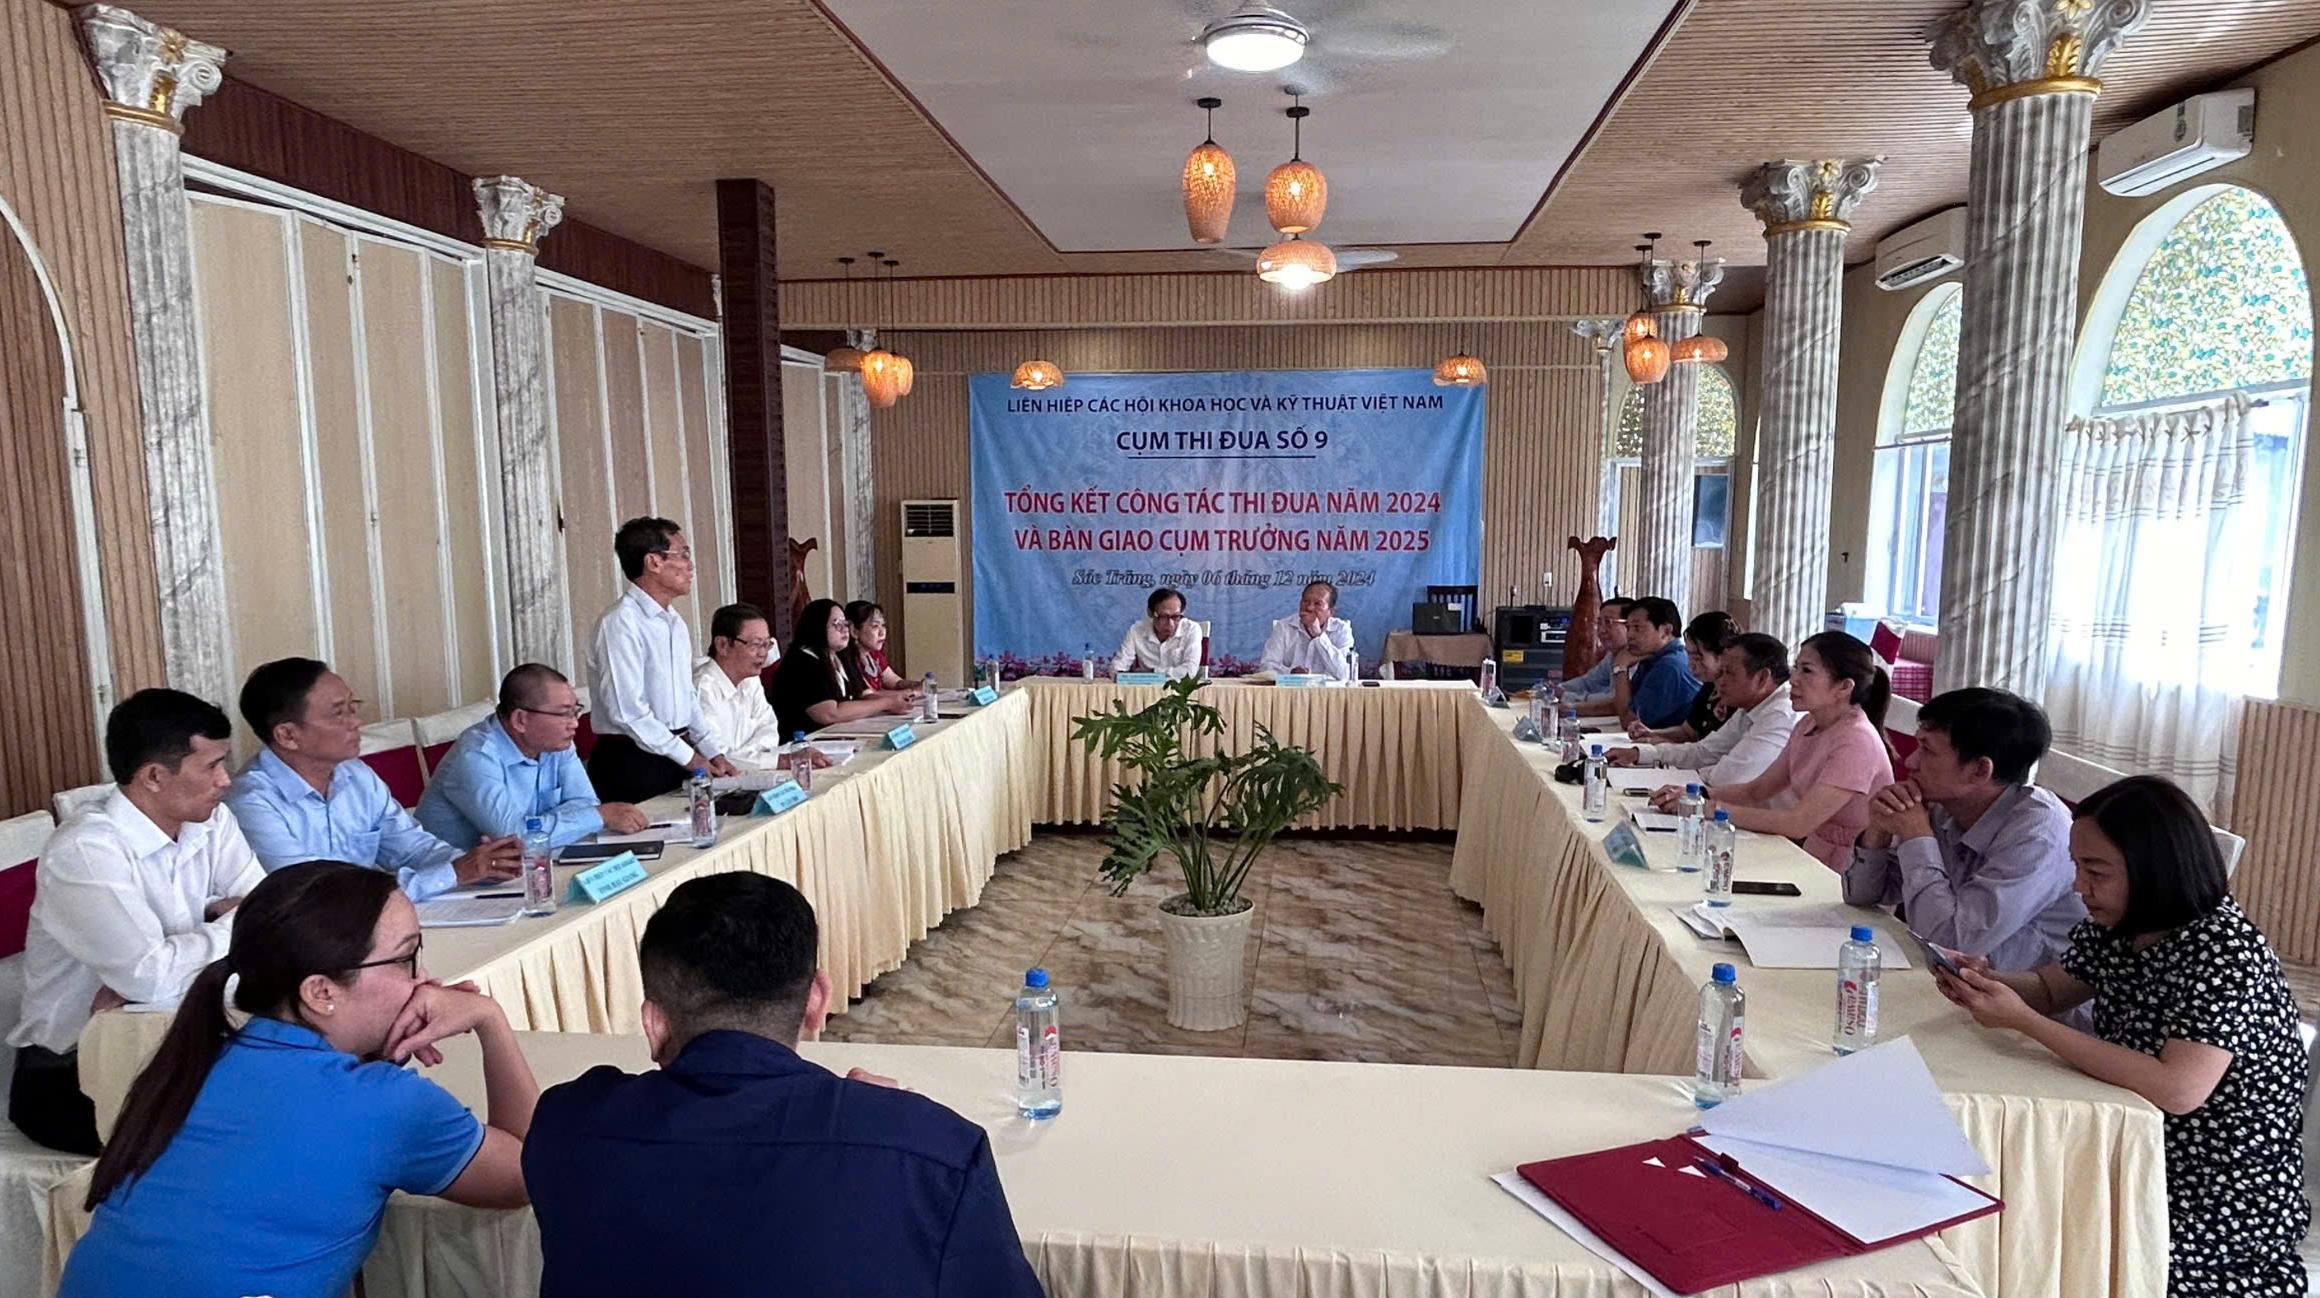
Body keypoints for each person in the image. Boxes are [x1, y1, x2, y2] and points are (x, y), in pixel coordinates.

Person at [523, 872, 1045, 1298]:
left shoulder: (564, 1127)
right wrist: (893, 1125)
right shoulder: (935, 1151)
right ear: (817, 1000)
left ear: (653, 1023)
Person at [57, 861, 537, 1298]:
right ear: (321, 992)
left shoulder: (197, 1059)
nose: (423, 978)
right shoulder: (386, 1104)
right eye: (406, 958)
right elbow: (530, 1172)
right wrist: (488, 1018)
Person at [1940, 776, 2307, 1298]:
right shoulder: (2124, 926)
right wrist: (1985, 982)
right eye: (2077, 867)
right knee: (2000, 1206)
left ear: (2155, 868)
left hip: (2212, 1199)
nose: (2078, 886)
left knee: (2032, 1234)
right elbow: (2051, 989)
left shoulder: (2225, 955)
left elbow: (2178, 1089)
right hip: (2129, 1146)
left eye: (2096, 872)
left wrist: (2024, 1021)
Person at [6, 689, 265, 1156]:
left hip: (184, 1044)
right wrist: (235, 922)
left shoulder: (213, 822)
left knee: (313, 1089)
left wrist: (223, 929)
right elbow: (150, 979)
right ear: (154, 777)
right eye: (211, 766)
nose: (225, 780)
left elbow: (275, 921)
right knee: (249, 1136)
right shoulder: (87, 850)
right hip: (73, 1075)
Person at [225, 658, 516, 900]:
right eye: (339, 714)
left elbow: (412, 847)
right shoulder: (251, 803)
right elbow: (316, 898)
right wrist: (453, 874)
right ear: (288, 735)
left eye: (353, 708)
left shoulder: (356, 776)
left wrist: (483, 865)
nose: (356, 722)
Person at [1844, 687, 2085, 970]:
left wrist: (1916, 835)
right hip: (1965, 981)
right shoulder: (1946, 806)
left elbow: (1951, 944)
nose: (1910, 761)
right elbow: (1861, 896)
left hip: (2028, 993)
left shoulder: (2038, 836)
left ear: (1980, 770)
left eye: (1927, 750)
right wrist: (1879, 829)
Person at [1661, 630, 1891, 870]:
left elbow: (1798, 823)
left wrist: (1708, 809)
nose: (1794, 679)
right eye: (1796, 668)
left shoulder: (1856, 741)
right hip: (1813, 853)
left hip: (1853, 868)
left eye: (1807, 671)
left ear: (1844, 687)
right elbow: (1756, 790)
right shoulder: (1808, 724)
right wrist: (1697, 795)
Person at [416, 664, 647, 851]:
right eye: (564, 713)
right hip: (453, 883)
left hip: (530, 865)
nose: (575, 724)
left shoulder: (557, 743)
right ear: (521, 720)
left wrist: (535, 827)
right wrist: (594, 818)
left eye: (575, 711)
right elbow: (514, 838)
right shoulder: (475, 757)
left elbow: (586, 803)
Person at [587, 516, 735, 803]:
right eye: (683, 554)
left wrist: (713, 751)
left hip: (675, 752)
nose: (690, 565)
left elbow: (687, 697)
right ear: (653, 562)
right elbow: (627, 712)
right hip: (631, 760)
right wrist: (690, 757)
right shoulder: (620, 623)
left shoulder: (674, 623)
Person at [1609, 631, 1798, 786]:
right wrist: (1640, 754)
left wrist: (1677, 777)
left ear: (1762, 678)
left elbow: (1728, 778)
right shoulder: (1751, 705)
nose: (1720, 680)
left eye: (1729, 673)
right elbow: (1705, 752)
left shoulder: (1780, 714)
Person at [770, 598, 918, 737]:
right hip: (805, 744)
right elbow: (830, 714)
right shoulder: (802, 662)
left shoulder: (840, 656)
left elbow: (863, 695)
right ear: (817, 626)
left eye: (845, 624)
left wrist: (901, 699)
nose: (845, 630)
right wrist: (887, 703)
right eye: (837, 624)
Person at [693, 602, 790, 766]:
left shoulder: (751, 680)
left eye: (767, 644)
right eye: (755, 644)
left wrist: (752, 758)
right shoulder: (703, 687)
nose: (763, 653)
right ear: (722, 645)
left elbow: (769, 730)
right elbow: (717, 757)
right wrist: (766, 760)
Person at [1580, 597, 1697, 729]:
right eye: (1628, 627)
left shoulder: (1670, 666)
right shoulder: (1651, 658)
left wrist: (1620, 667)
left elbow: (1629, 722)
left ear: (1665, 631)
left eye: (1637, 628)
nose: (1630, 635)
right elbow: (1624, 705)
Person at [1628, 611, 1734, 743]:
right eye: (1689, 656)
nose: (1691, 665)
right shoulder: (1709, 688)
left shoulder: (1736, 698)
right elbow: (1688, 732)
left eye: (1697, 658)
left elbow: (1711, 750)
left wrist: (1660, 744)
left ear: (1723, 655)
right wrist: (1651, 734)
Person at [1258, 580, 1355, 680]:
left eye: (1318, 604)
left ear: (1331, 612)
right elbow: (1266, 667)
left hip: (1328, 689)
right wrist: (1290, 673)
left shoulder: (1341, 629)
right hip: (1290, 689)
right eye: (1305, 601)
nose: (1309, 608)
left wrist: (1319, 636)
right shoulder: (1284, 627)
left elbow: (1345, 674)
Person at [1110, 587, 1204, 680]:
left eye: (1176, 617)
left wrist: (1153, 673)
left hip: (1179, 688)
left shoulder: (1191, 629)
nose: (1170, 624)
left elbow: (1190, 671)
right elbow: (1117, 667)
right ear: (1150, 613)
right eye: (1164, 617)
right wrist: (1121, 675)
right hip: (1145, 688)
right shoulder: (1136, 630)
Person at [1563, 598, 1635, 704]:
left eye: (1608, 622)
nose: (1601, 630)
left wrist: (1567, 696)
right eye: (1599, 623)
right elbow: (1588, 682)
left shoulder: (1637, 659)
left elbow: (1613, 700)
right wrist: (1557, 689)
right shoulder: (1612, 656)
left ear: (1629, 626)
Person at [843, 600, 911, 692]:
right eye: (875, 626)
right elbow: (870, 696)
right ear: (854, 631)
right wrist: (911, 693)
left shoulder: (875, 654)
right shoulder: (849, 661)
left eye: (883, 625)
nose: (882, 632)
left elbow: (894, 682)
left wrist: (920, 685)